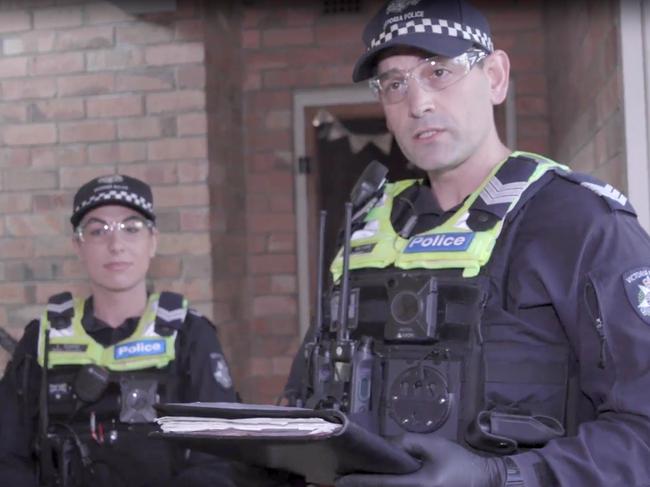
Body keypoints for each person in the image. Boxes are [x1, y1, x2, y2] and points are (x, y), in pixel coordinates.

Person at [285, 0, 650, 486]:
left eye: (439, 71)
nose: (419, 103)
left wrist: (500, 476)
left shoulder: (581, 223)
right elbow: (305, 401)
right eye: (395, 83)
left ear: (495, 77)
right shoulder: (365, 231)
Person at [0, 174, 239, 487]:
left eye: (131, 228)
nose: (116, 245)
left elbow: (219, 461)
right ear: (78, 245)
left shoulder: (190, 336)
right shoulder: (43, 339)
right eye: (98, 231)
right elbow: (7, 459)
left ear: (153, 241)